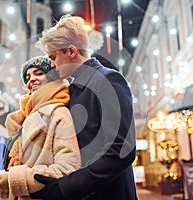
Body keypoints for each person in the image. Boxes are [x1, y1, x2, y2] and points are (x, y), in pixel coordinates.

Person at [29, 15, 137, 200]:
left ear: (71, 52)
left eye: (53, 57)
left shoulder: (108, 80)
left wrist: (65, 188)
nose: (52, 65)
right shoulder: (70, 90)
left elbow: (120, 151)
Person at [0, 55, 81, 200]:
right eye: (28, 76)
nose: (32, 79)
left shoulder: (58, 114)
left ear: (52, 78)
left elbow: (67, 169)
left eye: (39, 73)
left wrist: (13, 179)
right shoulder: (24, 117)